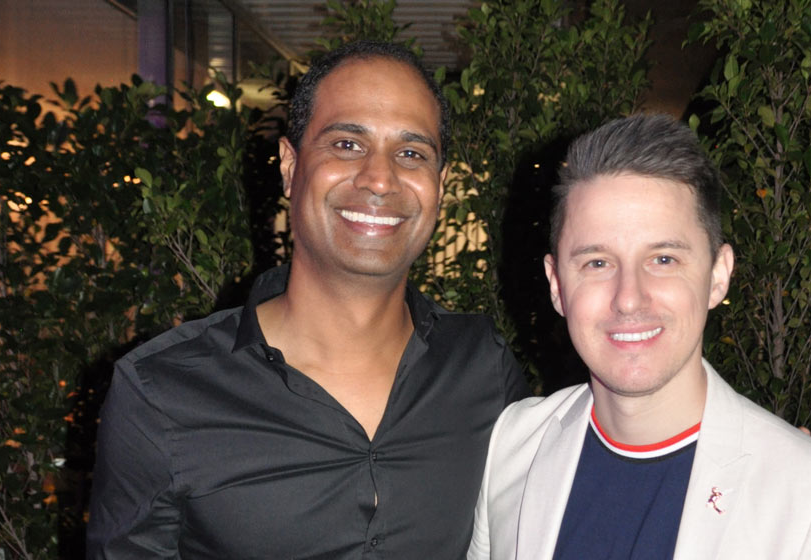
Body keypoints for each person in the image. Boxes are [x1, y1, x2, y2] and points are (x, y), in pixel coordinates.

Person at [87, 40, 529, 559]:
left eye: (411, 153)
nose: (380, 178)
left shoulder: (484, 366)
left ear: (440, 183)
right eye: (347, 144)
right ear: (290, 166)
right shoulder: (161, 392)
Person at [468, 114, 811, 559]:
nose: (629, 299)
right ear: (556, 285)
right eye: (597, 263)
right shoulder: (512, 446)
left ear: (718, 275)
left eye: (663, 259)